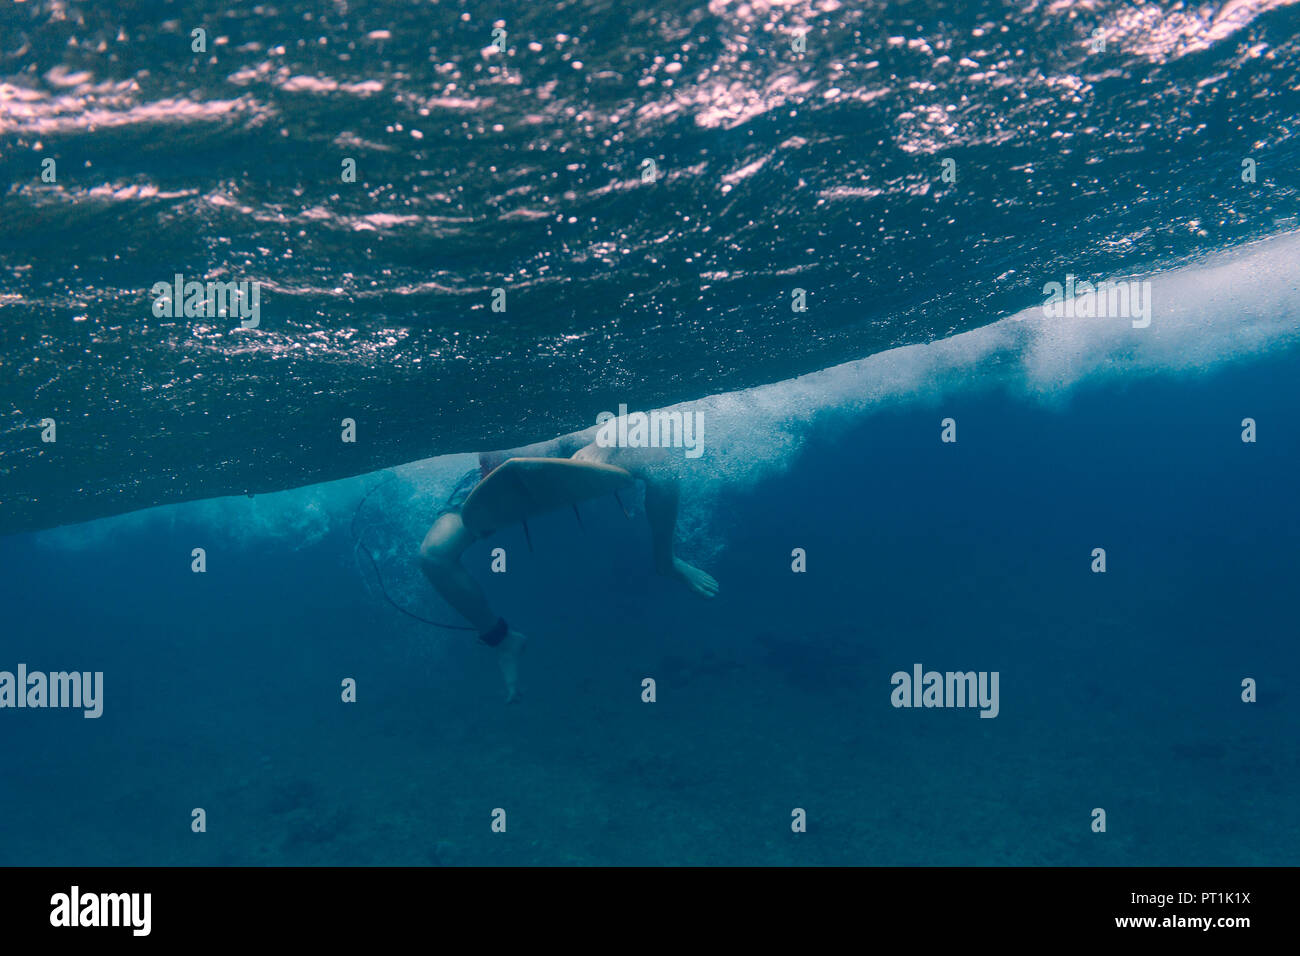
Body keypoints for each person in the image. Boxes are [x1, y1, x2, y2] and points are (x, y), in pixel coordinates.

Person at [418, 433, 719, 702]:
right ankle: (502, 639)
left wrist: (604, 444)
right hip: (494, 482)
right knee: (434, 555)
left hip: (572, 456)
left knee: (660, 464)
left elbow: (627, 420)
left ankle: (666, 562)